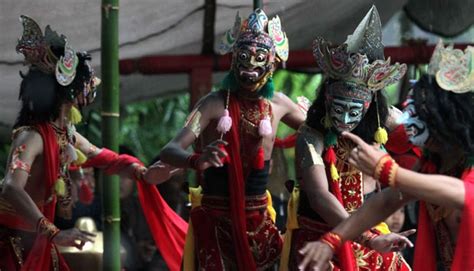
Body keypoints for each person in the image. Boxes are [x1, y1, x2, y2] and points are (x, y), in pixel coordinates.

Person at [0, 15, 174, 270]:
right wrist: (54, 232)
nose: (89, 87)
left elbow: (103, 157)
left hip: (35, 239)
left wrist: (143, 172)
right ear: (67, 89)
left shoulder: (64, 132)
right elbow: (10, 188)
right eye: (84, 82)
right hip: (9, 240)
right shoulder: (32, 136)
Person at [146, 8, 305, 270]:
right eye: (243, 58)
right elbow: (170, 149)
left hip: (259, 220)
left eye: (259, 59)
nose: (250, 68)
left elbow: (318, 134)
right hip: (216, 221)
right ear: (233, 60)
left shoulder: (279, 104)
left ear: (272, 64)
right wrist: (197, 159)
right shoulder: (213, 104)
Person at [298, 41, 474, 271]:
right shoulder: (434, 163)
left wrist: (389, 172)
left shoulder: (462, 171)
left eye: (426, 119)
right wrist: (334, 240)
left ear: (451, 125)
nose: (413, 127)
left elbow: (463, 194)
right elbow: (390, 199)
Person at [280, 6, 412, 271]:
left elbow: (420, 142)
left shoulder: (381, 121)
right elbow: (319, 196)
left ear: (369, 107)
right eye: (338, 108)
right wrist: (367, 237)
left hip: (368, 226)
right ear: (326, 99)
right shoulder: (311, 135)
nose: (344, 118)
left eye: (354, 111)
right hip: (321, 233)